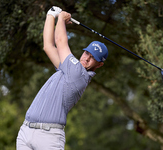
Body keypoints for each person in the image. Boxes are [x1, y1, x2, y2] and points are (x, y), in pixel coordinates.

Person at [16, 6, 108, 150]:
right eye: (87, 53)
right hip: (26, 131)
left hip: (49, 137)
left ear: (99, 64)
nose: (87, 58)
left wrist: (62, 18)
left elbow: (60, 41)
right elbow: (48, 46)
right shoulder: (67, 68)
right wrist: (50, 15)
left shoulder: (79, 74)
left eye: (93, 58)